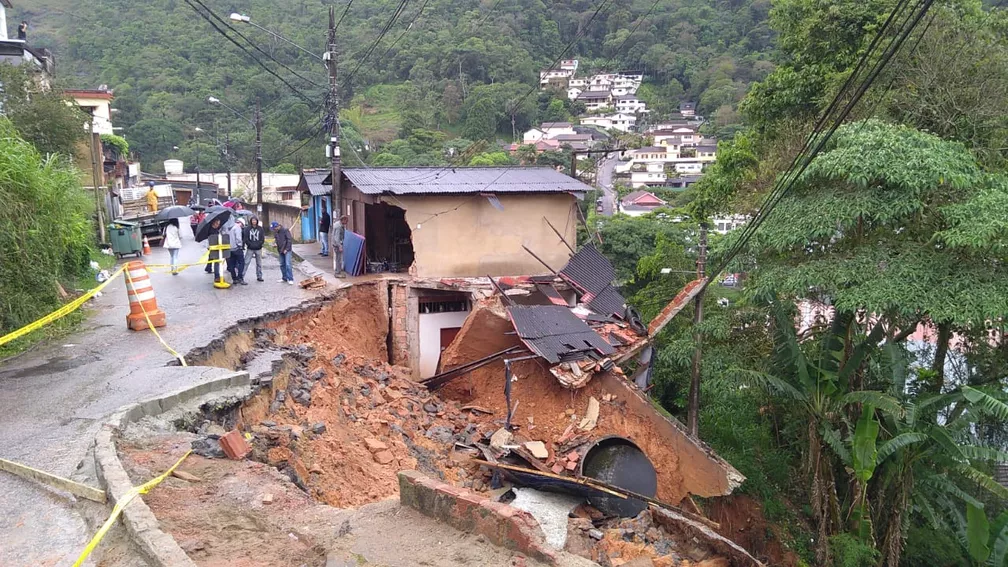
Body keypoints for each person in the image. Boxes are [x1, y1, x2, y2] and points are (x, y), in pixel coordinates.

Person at [242, 216, 265, 282]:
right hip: (250, 248)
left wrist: (259, 244)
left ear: (257, 221)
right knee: (246, 262)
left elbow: (262, 238)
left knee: (259, 263)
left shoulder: (260, 229)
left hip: (258, 248)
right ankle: (242, 276)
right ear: (251, 221)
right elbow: (245, 238)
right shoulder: (247, 229)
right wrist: (249, 244)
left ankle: (259, 276)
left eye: (255, 220)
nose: (254, 222)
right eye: (253, 220)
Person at [227, 218, 247, 285]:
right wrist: (240, 245)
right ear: (241, 223)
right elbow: (238, 238)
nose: (242, 227)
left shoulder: (229, 227)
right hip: (237, 248)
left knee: (232, 264)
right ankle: (240, 278)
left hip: (230, 248)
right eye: (242, 225)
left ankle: (234, 279)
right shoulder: (237, 227)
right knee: (241, 263)